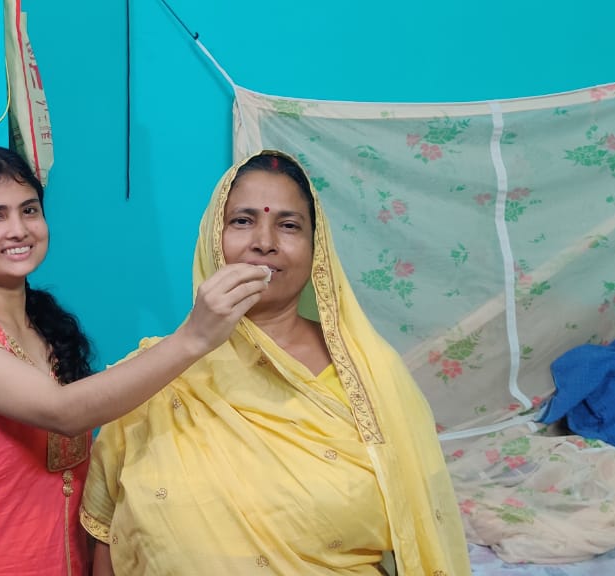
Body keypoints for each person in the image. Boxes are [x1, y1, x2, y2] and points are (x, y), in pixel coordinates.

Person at [80, 151, 471, 575]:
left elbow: (421, 521)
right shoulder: (151, 375)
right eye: (243, 221)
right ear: (214, 237)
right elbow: (107, 536)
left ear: (316, 250)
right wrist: (193, 340)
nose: (264, 242)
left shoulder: (371, 374)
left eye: (288, 225)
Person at [0, 146, 271, 575]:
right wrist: (193, 338)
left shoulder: (45, 325)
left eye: (29, 210)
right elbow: (63, 412)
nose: (18, 229)